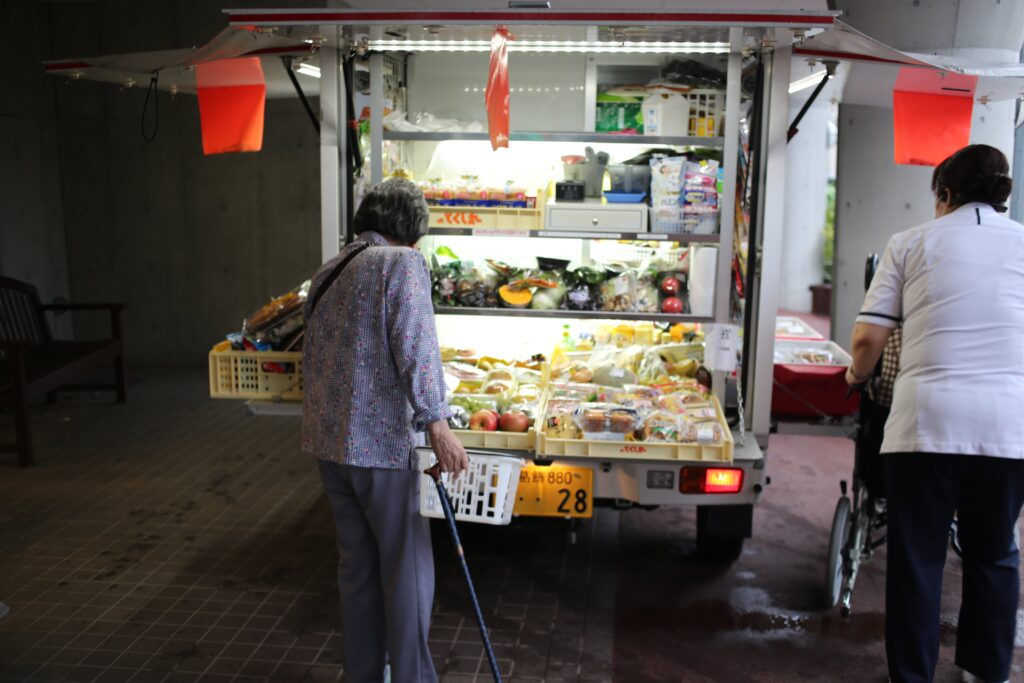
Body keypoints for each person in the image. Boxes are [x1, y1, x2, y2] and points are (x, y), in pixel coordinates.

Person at [846, 144, 1024, 683]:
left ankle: (913, 675)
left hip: (925, 427)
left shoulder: (911, 242)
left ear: (944, 195)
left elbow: (867, 339)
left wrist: (855, 377)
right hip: (1007, 430)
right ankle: (986, 672)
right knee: (994, 555)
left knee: (917, 561)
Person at [303, 178, 469, 683]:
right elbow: (416, 346)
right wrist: (437, 422)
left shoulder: (329, 270)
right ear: (411, 233)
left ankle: (364, 676)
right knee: (408, 574)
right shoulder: (401, 264)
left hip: (331, 447)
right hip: (380, 447)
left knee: (357, 574)